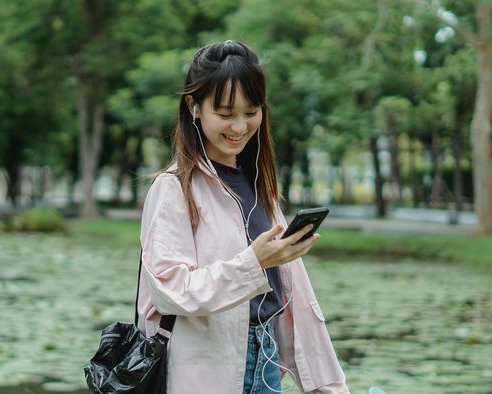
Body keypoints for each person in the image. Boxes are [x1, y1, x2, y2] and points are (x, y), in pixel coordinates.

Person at [137, 40, 349, 393]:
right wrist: (253, 263)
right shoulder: (174, 189)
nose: (239, 126)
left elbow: (298, 303)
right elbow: (169, 291)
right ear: (194, 107)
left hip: (265, 365)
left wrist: (330, 387)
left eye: (251, 112)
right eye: (225, 113)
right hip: (202, 374)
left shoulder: (260, 189)